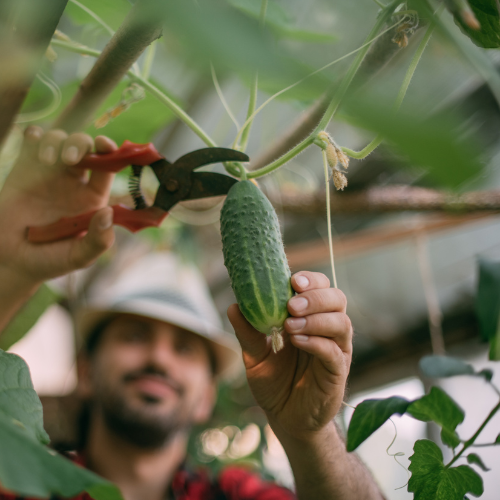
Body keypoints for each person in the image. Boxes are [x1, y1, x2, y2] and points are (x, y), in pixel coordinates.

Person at [0, 127, 386, 500]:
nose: (158, 358)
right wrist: (9, 270)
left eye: (184, 348)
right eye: (134, 336)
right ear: (84, 369)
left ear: (207, 395)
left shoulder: (239, 495)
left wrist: (310, 438)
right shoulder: (21, 483)